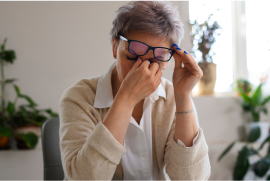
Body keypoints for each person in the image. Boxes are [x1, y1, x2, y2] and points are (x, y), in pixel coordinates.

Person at [59, 0, 211, 180]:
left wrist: (183, 96)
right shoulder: (79, 97)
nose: (142, 71)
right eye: (132, 57)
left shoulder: (171, 97)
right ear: (115, 48)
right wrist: (126, 98)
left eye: (155, 61)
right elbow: (83, 177)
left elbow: (190, 178)